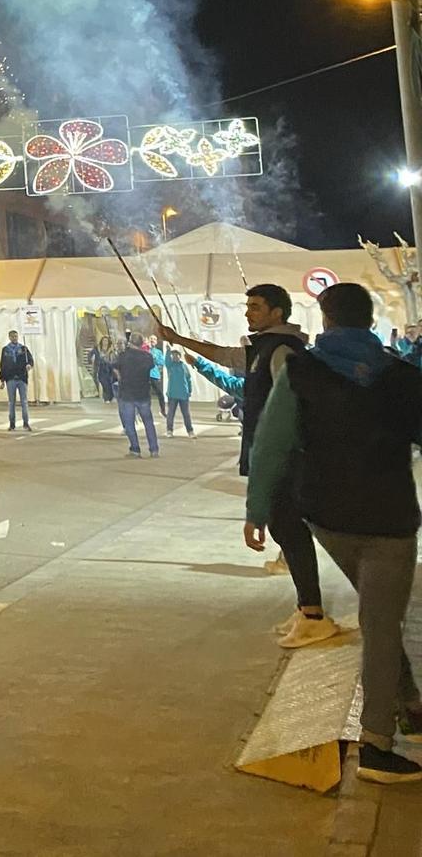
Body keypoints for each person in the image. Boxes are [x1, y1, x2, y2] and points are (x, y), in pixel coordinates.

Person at [245, 282, 422, 782]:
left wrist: (257, 508)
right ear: (368, 320)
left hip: (327, 517)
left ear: (325, 320)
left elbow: (271, 443)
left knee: (381, 620)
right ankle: (376, 747)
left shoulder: (302, 371)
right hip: (389, 519)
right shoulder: (403, 376)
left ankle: (409, 703)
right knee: (382, 626)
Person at [159, 285, 330, 647]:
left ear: (278, 312)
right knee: (286, 531)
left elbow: (296, 404)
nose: (248, 312)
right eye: (247, 306)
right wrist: (178, 339)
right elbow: (223, 355)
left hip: (283, 455)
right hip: (269, 450)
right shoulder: (262, 348)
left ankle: (314, 614)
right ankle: (307, 609)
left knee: (290, 531)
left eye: (256, 307)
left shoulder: (283, 350)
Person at [111, 330, 159, 458]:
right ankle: (154, 449)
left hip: (127, 394)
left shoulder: (123, 355)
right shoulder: (147, 356)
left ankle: (135, 449)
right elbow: (150, 367)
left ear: (130, 341)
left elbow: (114, 367)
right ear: (142, 343)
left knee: (129, 423)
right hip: (143, 393)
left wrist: (120, 376)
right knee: (148, 423)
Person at [0, 329, 34, 431]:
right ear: (9, 337)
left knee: (24, 401)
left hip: (22, 378)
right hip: (10, 379)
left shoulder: (23, 349)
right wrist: (2, 379)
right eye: (12, 336)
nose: (14, 338)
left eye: (16, 336)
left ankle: (26, 423)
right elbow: (3, 365)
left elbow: (30, 360)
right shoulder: (5, 350)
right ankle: (12, 424)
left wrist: (29, 365)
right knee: (11, 402)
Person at [162, 340, 195, 436]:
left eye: (177, 355)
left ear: (180, 356)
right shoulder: (170, 365)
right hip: (172, 394)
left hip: (184, 394)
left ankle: (190, 431)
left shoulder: (184, 366)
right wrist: (168, 350)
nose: (175, 356)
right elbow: (167, 361)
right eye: (173, 355)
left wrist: (190, 390)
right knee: (171, 414)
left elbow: (188, 379)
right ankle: (169, 430)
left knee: (186, 414)